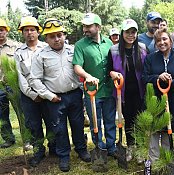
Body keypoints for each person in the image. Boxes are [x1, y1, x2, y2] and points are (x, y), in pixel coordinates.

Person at [30, 18, 91, 172]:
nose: (57, 39)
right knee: (59, 128)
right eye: (52, 36)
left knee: (78, 124)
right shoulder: (40, 55)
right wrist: (48, 95)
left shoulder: (73, 50)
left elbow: (80, 70)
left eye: (59, 35)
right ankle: (64, 156)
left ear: (64, 35)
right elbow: (34, 79)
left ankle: (81, 149)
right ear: (46, 39)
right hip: (54, 98)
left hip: (75, 95)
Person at [73, 13, 117, 157]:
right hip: (92, 92)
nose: (85, 29)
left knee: (110, 120)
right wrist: (87, 76)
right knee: (95, 123)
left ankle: (111, 147)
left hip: (109, 90)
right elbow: (77, 66)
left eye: (88, 26)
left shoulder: (109, 43)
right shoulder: (80, 45)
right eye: (84, 26)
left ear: (98, 27)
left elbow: (114, 63)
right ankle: (100, 148)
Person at [14, 16, 56, 167]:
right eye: (26, 30)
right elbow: (21, 76)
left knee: (51, 121)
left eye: (33, 29)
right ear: (22, 33)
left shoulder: (47, 47)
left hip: (47, 92)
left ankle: (54, 149)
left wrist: (44, 93)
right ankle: (38, 152)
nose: (30, 33)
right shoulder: (18, 52)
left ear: (38, 32)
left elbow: (51, 72)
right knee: (34, 125)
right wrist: (32, 94)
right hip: (29, 96)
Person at [142, 28, 174, 162]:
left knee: (168, 128)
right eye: (158, 40)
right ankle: (153, 159)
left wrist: (169, 82)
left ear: (171, 41)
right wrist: (158, 78)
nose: (161, 42)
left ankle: (167, 158)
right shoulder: (150, 58)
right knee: (154, 129)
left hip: (172, 99)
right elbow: (145, 77)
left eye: (164, 39)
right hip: (154, 99)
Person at [108, 19, 147, 162]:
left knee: (140, 121)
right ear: (122, 33)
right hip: (122, 93)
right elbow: (109, 69)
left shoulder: (142, 48)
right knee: (129, 120)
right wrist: (112, 73)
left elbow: (146, 69)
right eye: (127, 32)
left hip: (140, 92)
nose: (130, 35)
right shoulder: (113, 50)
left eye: (133, 32)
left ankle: (141, 148)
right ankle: (131, 146)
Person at [0, 18, 20, 149]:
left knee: (21, 113)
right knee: (1, 115)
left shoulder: (16, 46)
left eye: (1, 30)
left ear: (6, 31)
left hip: (14, 85)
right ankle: (8, 138)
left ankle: (28, 138)